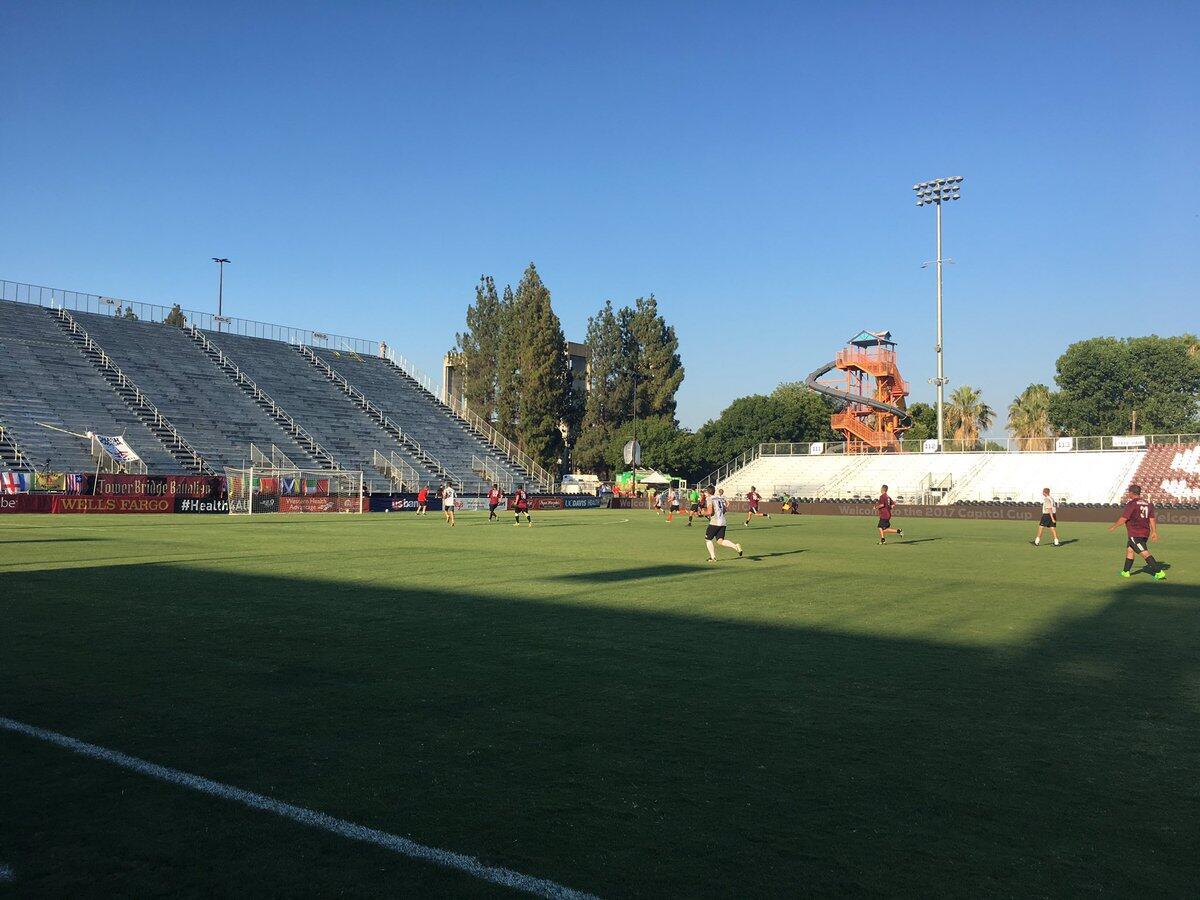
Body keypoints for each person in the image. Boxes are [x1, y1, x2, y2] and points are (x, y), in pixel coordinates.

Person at [1109, 484, 1165, 579]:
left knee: (1144, 552)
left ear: (1131, 493)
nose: (1128, 494)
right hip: (1145, 533)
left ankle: (1159, 572)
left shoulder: (1132, 504)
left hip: (1135, 533)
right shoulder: (1148, 504)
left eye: (1128, 492)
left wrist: (1114, 526)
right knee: (1130, 550)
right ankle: (1126, 572)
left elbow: (1124, 518)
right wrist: (1154, 532)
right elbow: (1152, 519)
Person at [702, 486, 743, 562]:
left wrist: (703, 513)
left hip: (715, 522)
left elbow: (710, 512)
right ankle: (735, 546)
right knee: (720, 541)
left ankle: (713, 557)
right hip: (723, 522)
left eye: (705, 492)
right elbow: (724, 510)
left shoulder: (709, 499)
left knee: (708, 539)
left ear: (708, 492)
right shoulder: (719, 498)